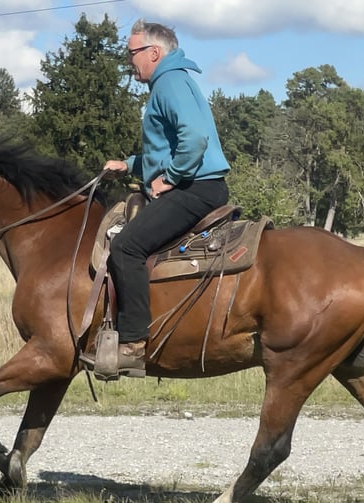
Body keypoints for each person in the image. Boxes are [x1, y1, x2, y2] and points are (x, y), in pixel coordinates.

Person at [103, 19, 231, 377]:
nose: (130, 62)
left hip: (196, 188)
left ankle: (132, 343)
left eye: (132, 54)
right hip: (199, 184)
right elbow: (169, 151)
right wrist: (129, 164)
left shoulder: (170, 82)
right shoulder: (171, 82)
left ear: (153, 52)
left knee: (126, 247)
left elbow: (194, 140)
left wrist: (169, 180)